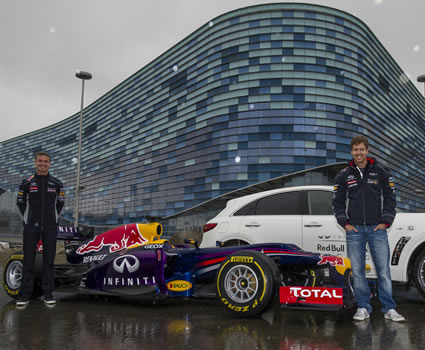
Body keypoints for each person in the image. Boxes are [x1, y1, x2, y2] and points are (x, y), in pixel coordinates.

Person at [332, 136, 405, 322]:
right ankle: (363, 307)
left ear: (367, 150)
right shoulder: (344, 174)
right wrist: (345, 224)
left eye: (361, 149)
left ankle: (389, 308)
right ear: (351, 152)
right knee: (357, 272)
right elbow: (337, 202)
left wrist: (385, 221)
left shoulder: (381, 172)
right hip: (354, 230)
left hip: (377, 230)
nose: (358, 153)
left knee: (383, 271)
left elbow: (390, 198)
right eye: (355, 150)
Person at [16, 151, 64, 307]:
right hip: (31, 228)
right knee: (28, 261)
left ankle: (48, 294)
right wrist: (27, 221)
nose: (43, 164)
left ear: (50, 164)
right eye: (40, 161)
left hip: (50, 228)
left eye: (46, 161)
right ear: (35, 162)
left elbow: (60, 204)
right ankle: (24, 295)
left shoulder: (57, 183)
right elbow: (20, 203)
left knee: (48, 262)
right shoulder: (26, 183)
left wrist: (54, 220)